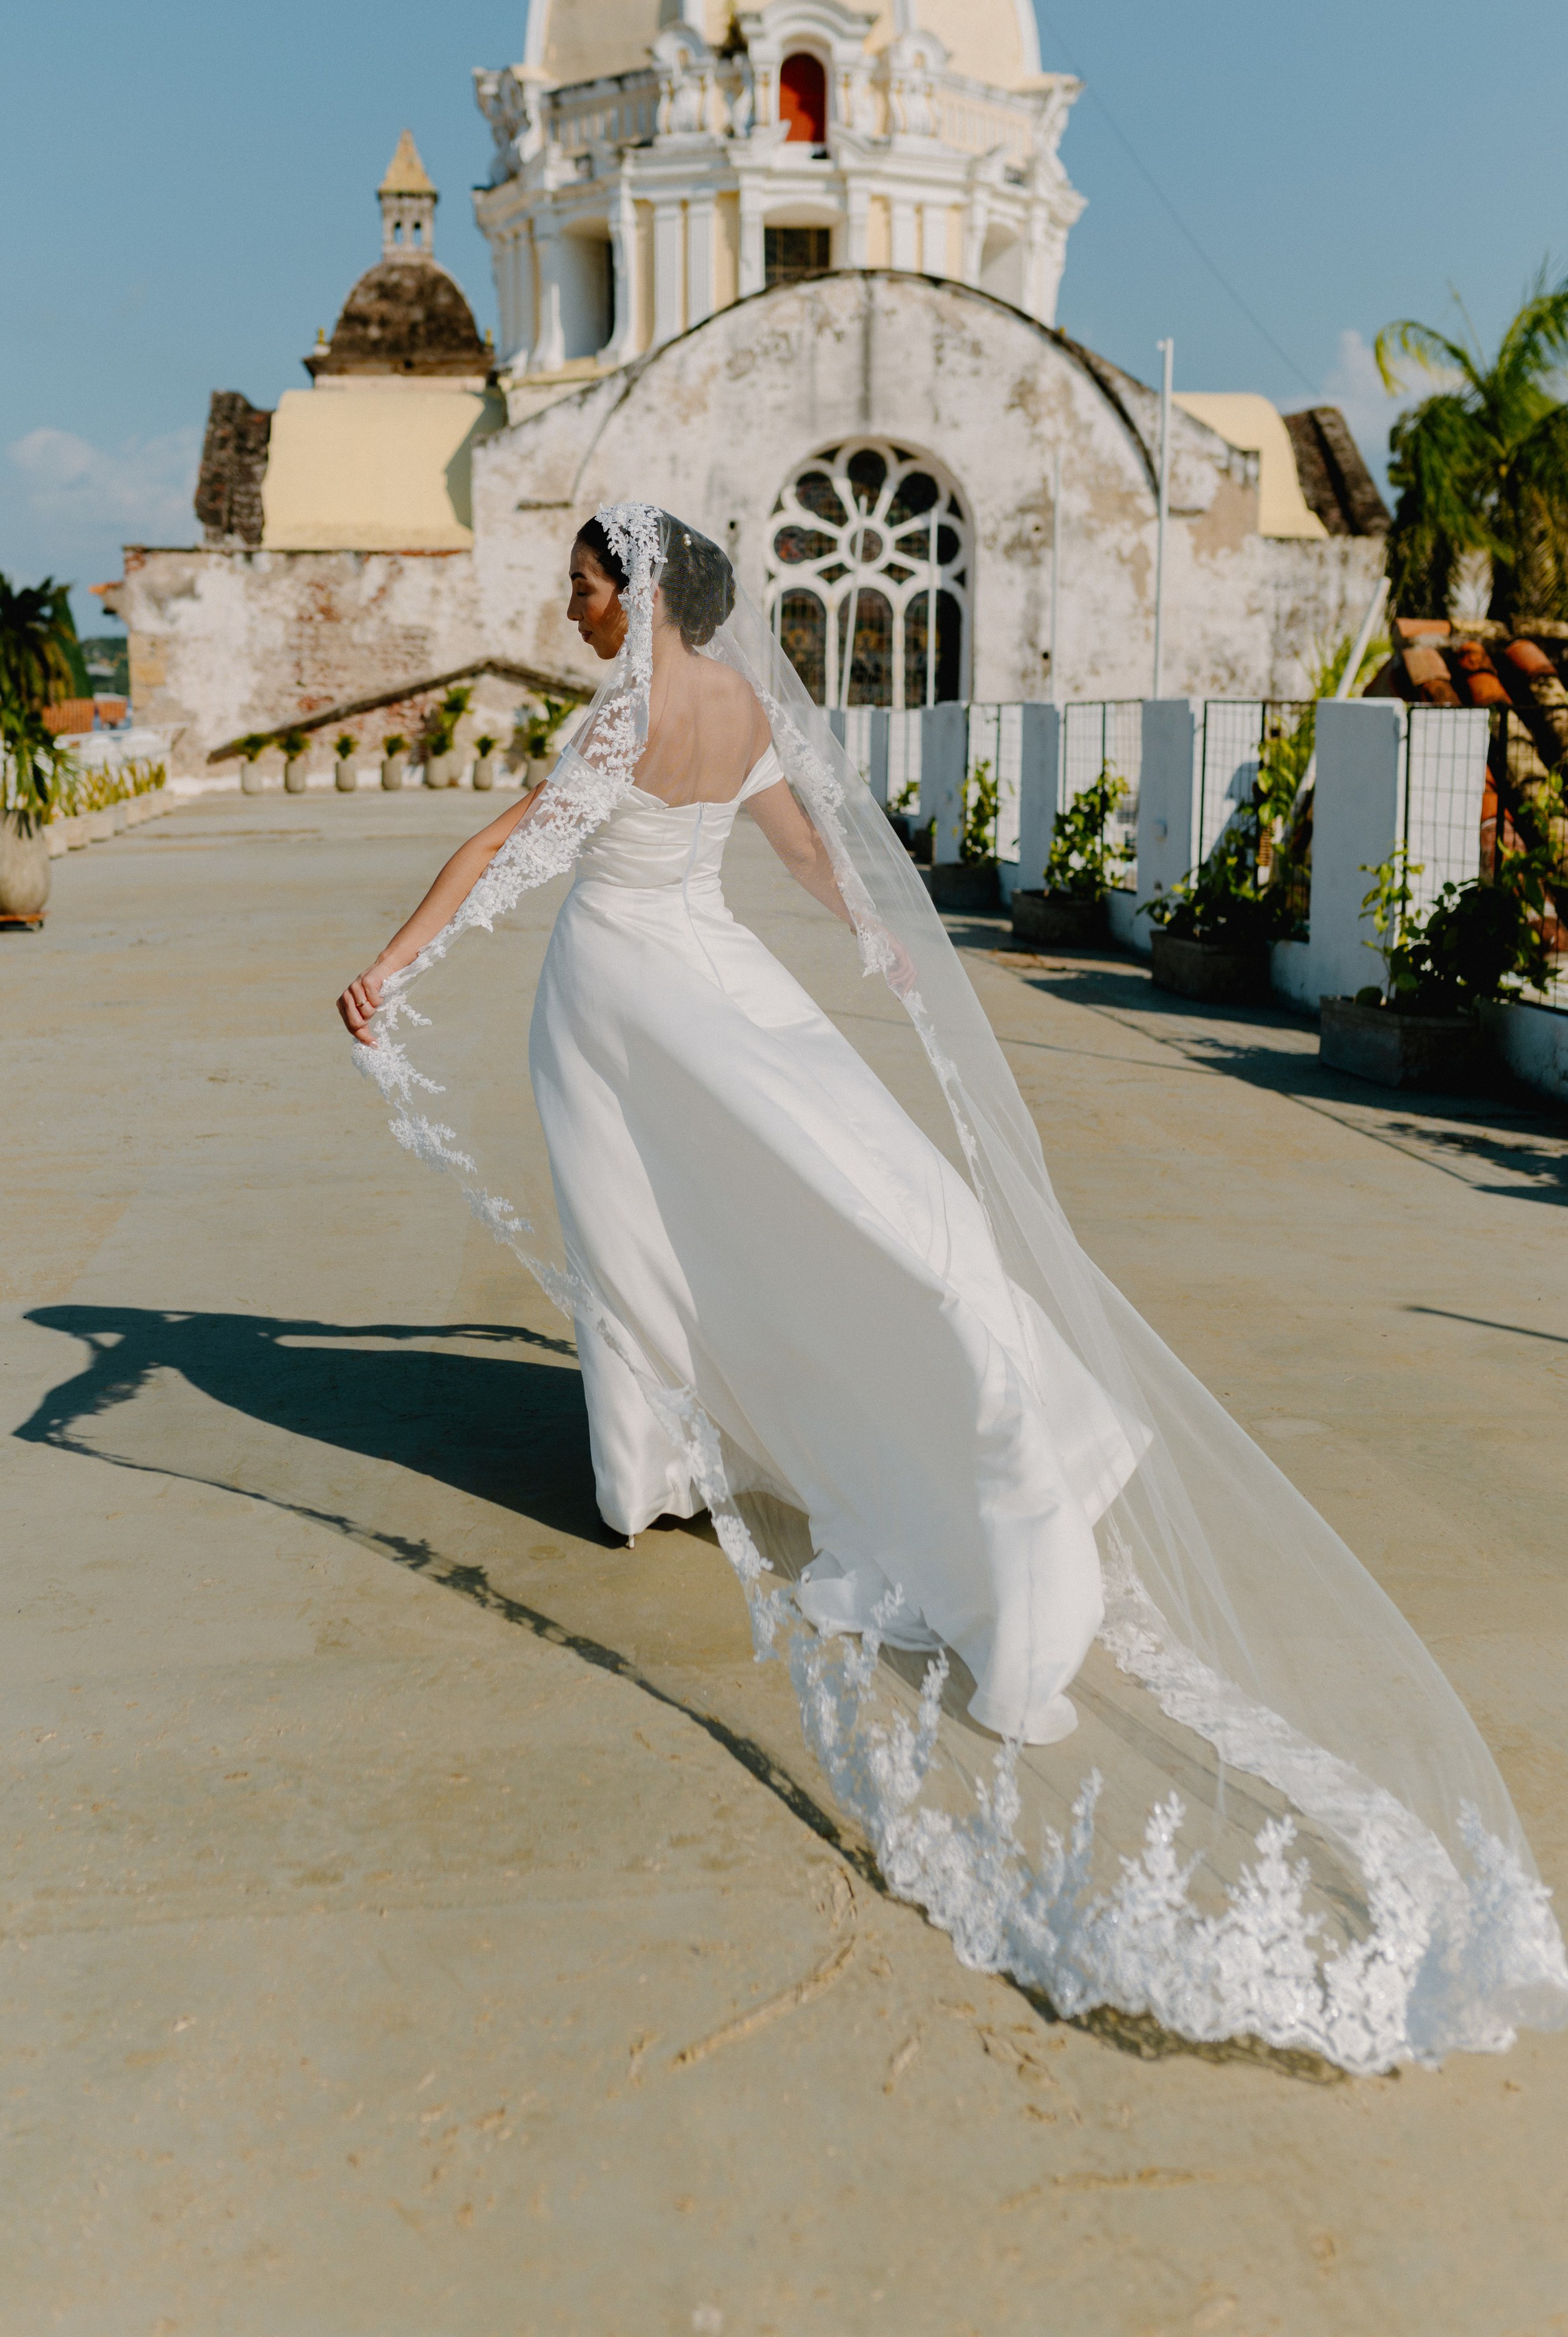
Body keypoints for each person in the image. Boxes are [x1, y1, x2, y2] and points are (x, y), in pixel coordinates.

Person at [340, 501, 1567, 2070]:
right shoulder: (740, 702)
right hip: (715, 977)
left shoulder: (621, 715)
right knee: (807, 1192)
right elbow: (800, 842)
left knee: (636, 1220)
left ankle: (658, 1466)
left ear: (635, 592)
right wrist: (876, 934)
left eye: (580, 585)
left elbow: (504, 847)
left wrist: (392, 965)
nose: (567, 607)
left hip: (619, 994)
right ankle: (811, 1415)